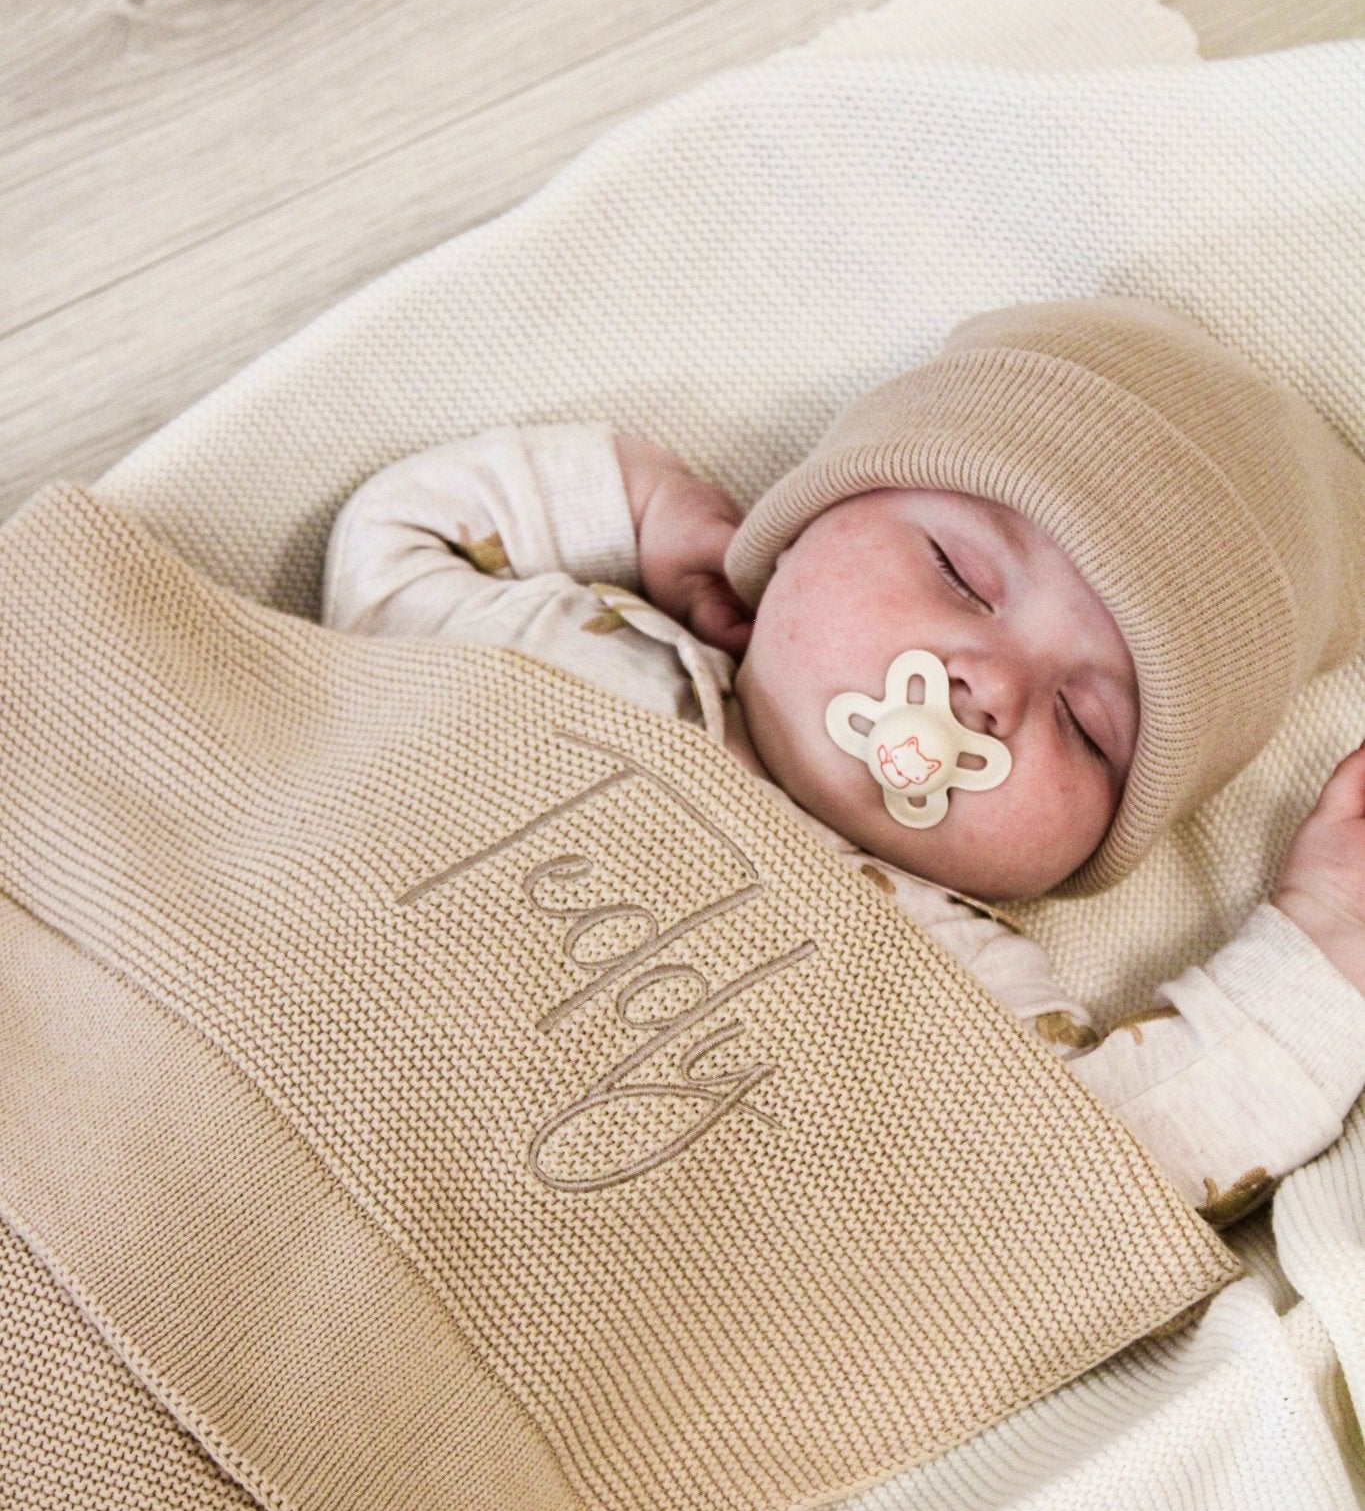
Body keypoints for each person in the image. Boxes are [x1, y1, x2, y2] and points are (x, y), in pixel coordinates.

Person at [321, 297, 1365, 1234]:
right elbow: (395, 543)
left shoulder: (963, 988)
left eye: (1087, 724)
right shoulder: (578, 648)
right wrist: (643, 506)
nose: (986, 687)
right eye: (959, 574)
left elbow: (1096, 1181)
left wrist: (1323, 944)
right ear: (803, 523)